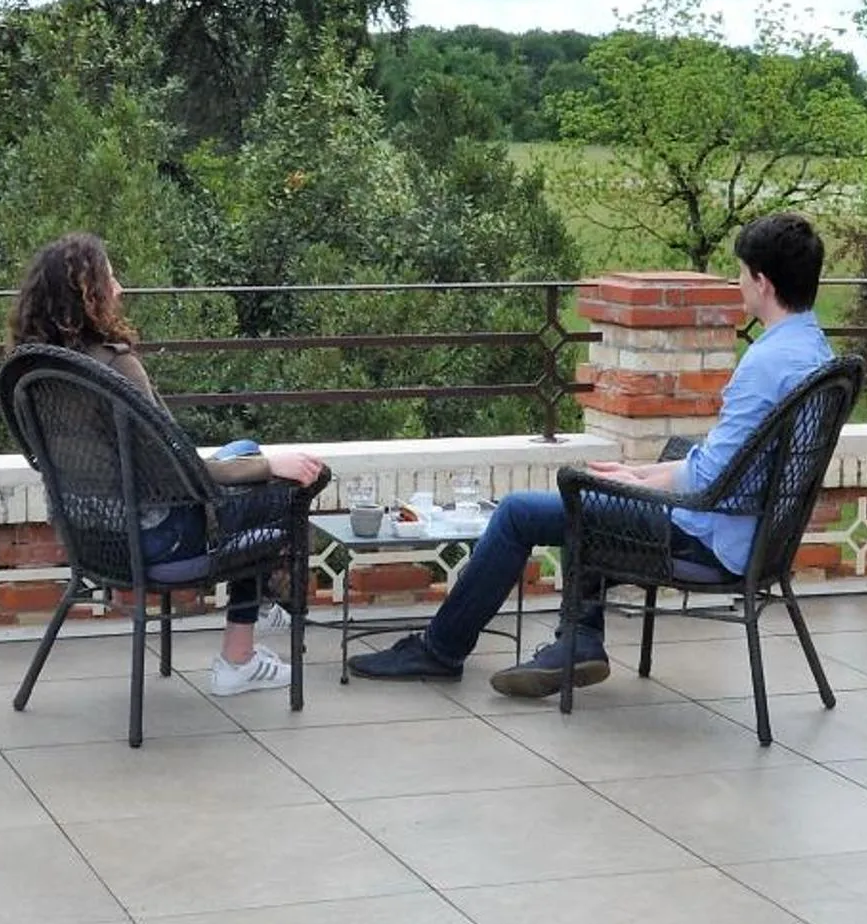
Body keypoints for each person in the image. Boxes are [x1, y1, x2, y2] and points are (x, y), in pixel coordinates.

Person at [349, 211, 832, 697]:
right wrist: (639, 473)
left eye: (742, 275)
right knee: (599, 493)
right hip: (760, 535)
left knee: (523, 512)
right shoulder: (817, 353)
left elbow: (712, 474)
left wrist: (635, 485)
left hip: (709, 538)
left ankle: (441, 650)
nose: (739, 285)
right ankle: (578, 639)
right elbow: (730, 462)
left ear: (763, 283)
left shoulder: (763, 366)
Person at [8, 233, 328, 698]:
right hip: (159, 541)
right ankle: (238, 656)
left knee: (244, 447)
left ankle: (257, 607)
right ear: (89, 294)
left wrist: (254, 460)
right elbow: (182, 473)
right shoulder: (116, 368)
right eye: (110, 278)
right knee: (278, 493)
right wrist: (270, 466)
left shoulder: (34, 372)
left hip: (89, 537)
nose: (120, 289)